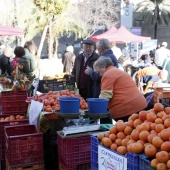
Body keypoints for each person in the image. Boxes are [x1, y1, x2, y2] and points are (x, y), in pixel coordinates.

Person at [93, 56, 147, 121]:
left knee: (126, 130)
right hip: (139, 105)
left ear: (103, 66)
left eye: (98, 72)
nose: (99, 75)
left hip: (127, 110)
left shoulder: (108, 74)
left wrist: (94, 109)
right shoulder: (116, 71)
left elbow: (105, 96)